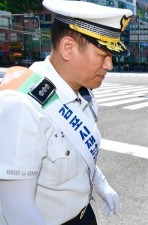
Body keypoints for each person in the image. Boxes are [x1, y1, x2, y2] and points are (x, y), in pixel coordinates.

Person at [0, 1, 133, 224]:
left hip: (84, 214)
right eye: (103, 55)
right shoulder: (21, 106)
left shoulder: (85, 94)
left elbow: (80, 153)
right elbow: (15, 209)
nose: (110, 65)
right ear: (68, 48)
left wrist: (102, 185)